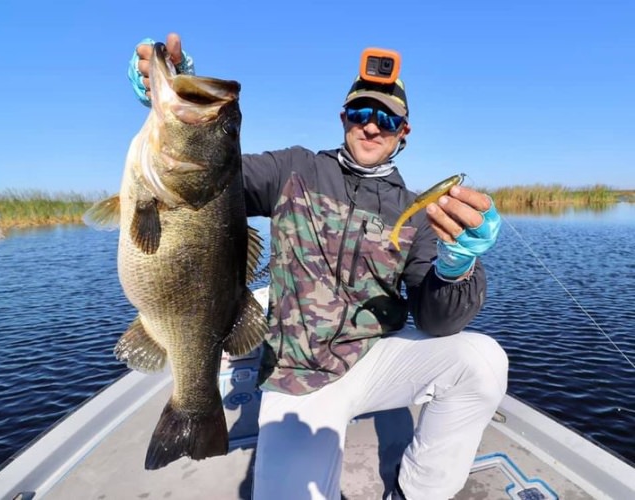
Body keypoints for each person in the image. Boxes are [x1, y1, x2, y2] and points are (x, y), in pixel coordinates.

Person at [128, 34, 508, 500]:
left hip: (375, 360)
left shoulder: (416, 213)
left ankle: (415, 491)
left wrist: (457, 269)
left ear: (403, 132)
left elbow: (436, 320)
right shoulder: (294, 169)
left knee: (483, 360)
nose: (372, 126)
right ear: (343, 118)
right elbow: (211, 179)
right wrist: (180, 96)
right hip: (298, 373)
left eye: (386, 118)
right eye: (361, 113)